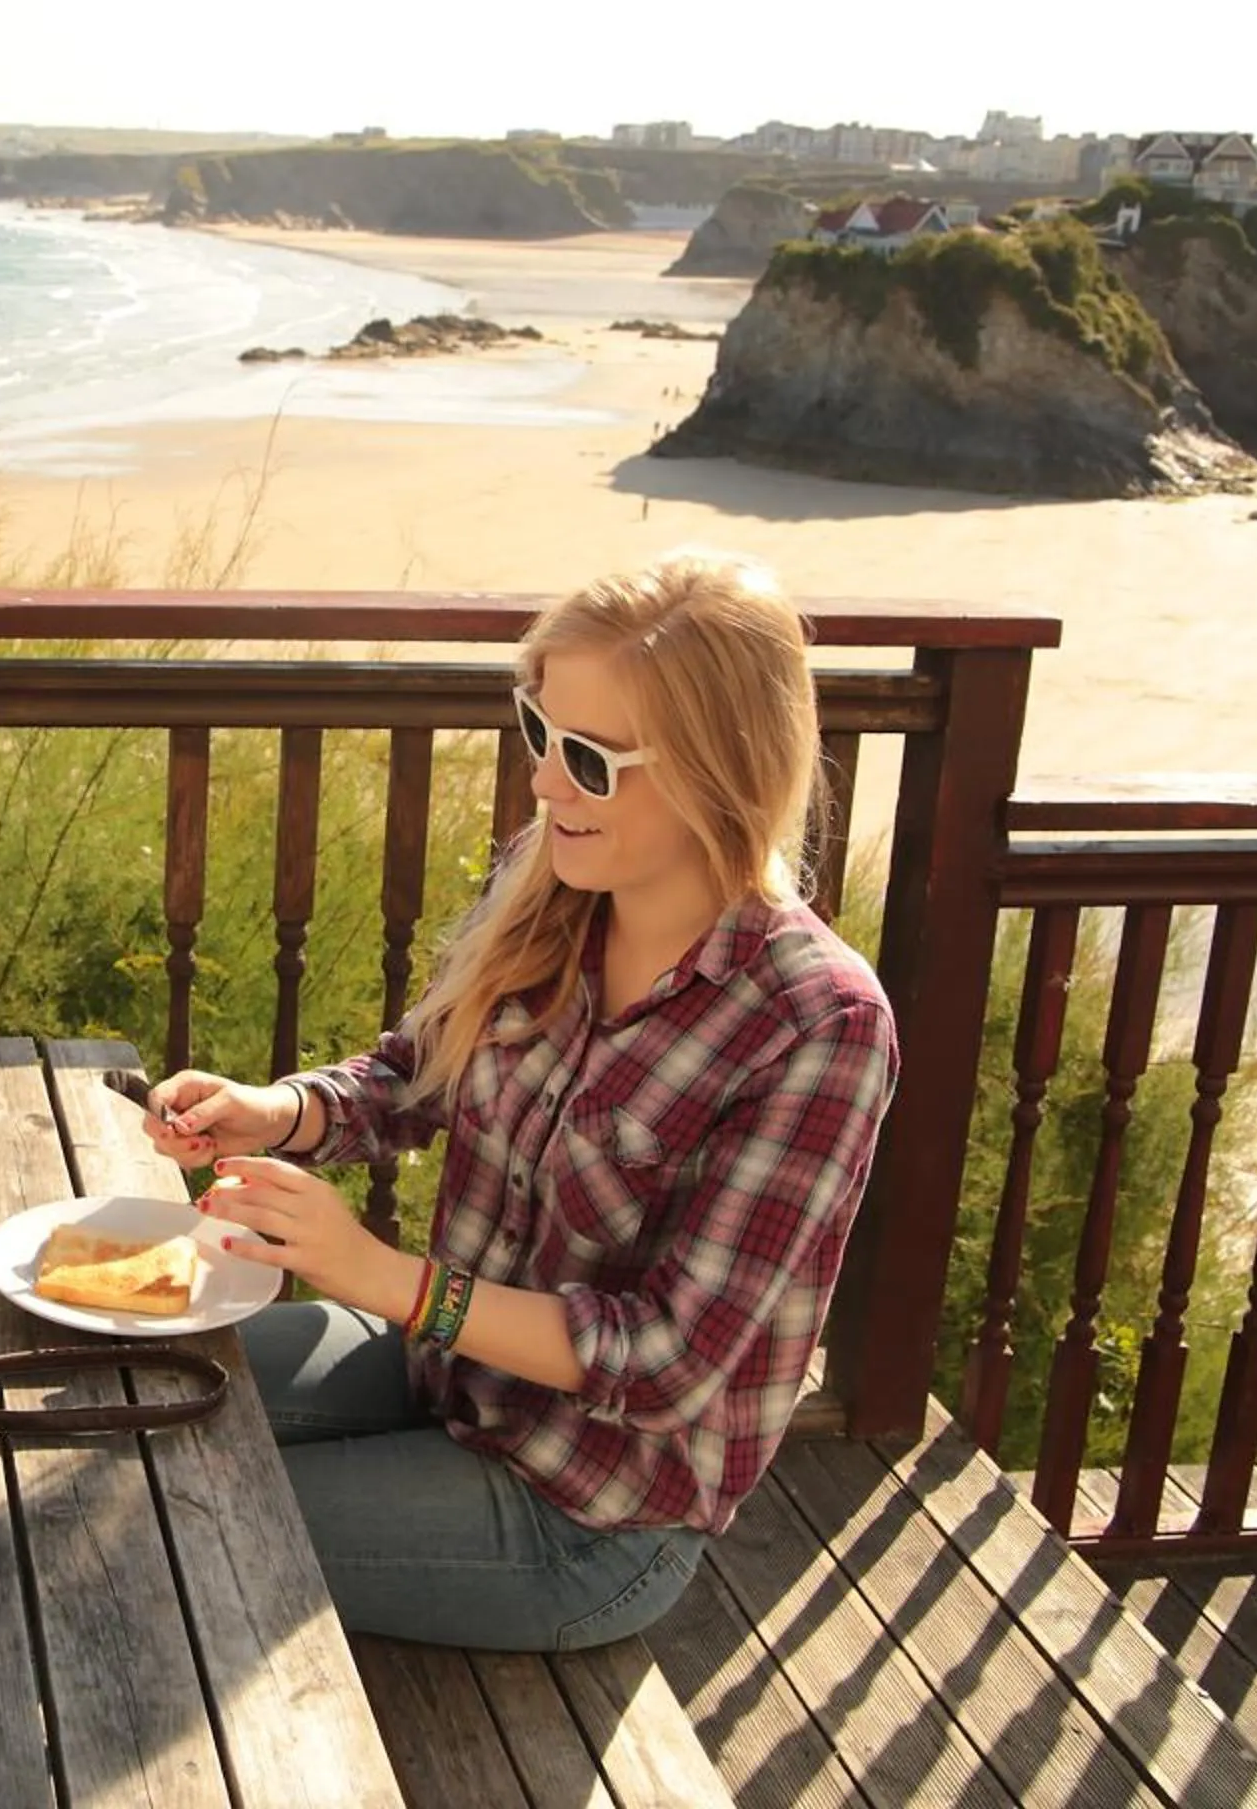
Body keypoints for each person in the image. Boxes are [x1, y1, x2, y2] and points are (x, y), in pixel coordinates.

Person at [144, 552, 898, 1653]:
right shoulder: (554, 879)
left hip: (586, 1518)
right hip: (443, 1381)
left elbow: (670, 1360)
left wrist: (386, 1279)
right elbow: (417, 1072)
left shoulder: (816, 1023)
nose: (545, 784)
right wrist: (279, 1110)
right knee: (132, 1385)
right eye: (540, 731)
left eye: (590, 758)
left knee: (176, 1524)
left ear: (720, 770)